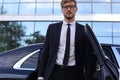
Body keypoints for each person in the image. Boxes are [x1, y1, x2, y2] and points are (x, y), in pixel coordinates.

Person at [37, 0, 97, 80]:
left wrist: (88, 77)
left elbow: (88, 57)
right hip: (54, 72)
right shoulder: (52, 28)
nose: (69, 9)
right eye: (65, 7)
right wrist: (40, 75)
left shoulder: (83, 30)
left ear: (76, 9)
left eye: (71, 7)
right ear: (62, 9)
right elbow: (45, 53)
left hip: (75, 74)